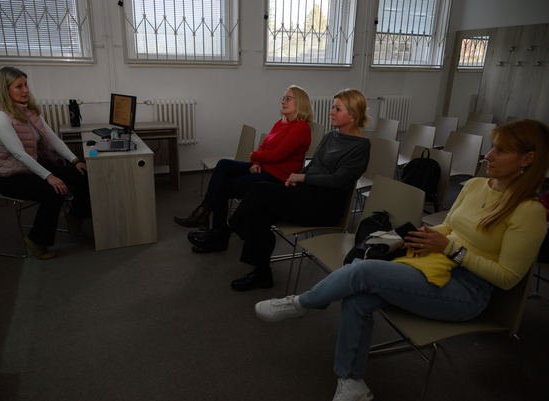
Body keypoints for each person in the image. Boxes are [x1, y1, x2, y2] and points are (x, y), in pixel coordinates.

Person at [254, 119, 549, 401]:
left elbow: (507, 277)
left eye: (501, 150)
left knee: (364, 271)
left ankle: (302, 303)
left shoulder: (529, 211)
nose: (488, 155)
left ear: (527, 159)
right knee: (357, 298)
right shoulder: (475, 186)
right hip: (434, 264)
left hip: (467, 291)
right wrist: (424, 236)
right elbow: (449, 226)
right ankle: (352, 383)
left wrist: (451, 249)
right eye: (492, 146)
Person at [189, 88, 371, 291]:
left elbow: (338, 180)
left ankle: (223, 232)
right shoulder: (331, 136)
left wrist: (301, 177)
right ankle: (262, 273)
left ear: (352, 116)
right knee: (259, 211)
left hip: (325, 206)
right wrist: (297, 179)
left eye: (337, 109)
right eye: (333, 107)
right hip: (307, 194)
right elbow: (313, 165)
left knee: (260, 190)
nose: (331, 112)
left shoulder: (361, 146)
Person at [174, 85, 313, 233]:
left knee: (222, 186)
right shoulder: (281, 123)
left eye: (288, 98)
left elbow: (276, 155)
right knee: (223, 165)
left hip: (278, 178)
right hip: (263, 168)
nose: (283, 101)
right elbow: (263, 146)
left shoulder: (301, 127)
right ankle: (205, 215)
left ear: (300, 102)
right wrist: (256, 162)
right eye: (283, 98)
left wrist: (253, 156)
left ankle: (209, 223)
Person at [0, 66, 91, 260]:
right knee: (55, 190)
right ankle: (36, 239)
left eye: (25, 85)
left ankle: (75, 215)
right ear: (5, 90)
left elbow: (53, 139)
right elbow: (18, 153)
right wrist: (49, 176)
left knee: (83, 173)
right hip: (10, 176)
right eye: (18, 86)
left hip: (32, 167)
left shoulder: (29, 111)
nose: (25, 90)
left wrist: (75, 160)